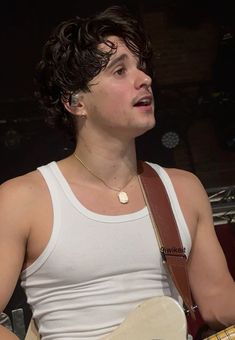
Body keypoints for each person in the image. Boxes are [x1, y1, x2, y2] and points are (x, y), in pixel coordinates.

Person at [0, 5, 235, 340]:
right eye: (120, 71)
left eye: (141, 67)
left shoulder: (182, 189)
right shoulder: (24, 198)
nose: (145, 78)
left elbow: (217, 303)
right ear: (75, 101)